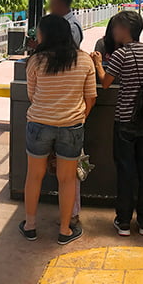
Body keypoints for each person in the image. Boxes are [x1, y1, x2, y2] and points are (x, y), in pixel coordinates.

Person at [20, 14, 95, 246]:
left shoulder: (36, 61)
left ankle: (30, 226)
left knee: (34, 176)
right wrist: (78, 117)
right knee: (67, 179)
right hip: (71, 126)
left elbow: (32, 95)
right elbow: (91, 97)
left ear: (46, 35)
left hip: (39, 124)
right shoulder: (84, 60)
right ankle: (64, 230)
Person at [92, 11, 143, 236]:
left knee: (125, 171)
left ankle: (123, 222)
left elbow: (105, 83)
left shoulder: (121, 55)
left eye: (116, 28)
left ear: (124, 29)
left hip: (124, 120)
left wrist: (97, 63)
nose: (113, 32)